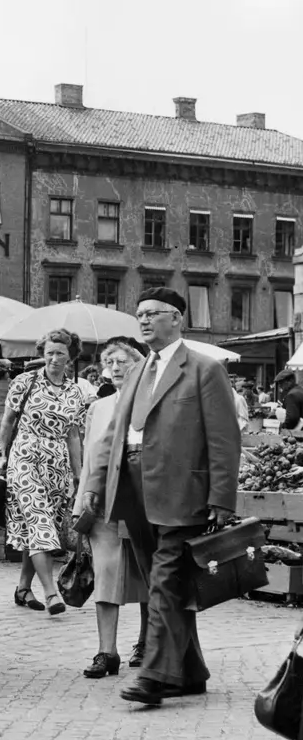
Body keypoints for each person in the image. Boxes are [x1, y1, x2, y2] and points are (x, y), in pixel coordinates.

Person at [81, 288, 241, 705]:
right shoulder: (137, 371)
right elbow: (113, 437)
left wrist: (222, 498)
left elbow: (225, 439)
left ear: (178, 319)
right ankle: (190, 671)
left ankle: (155, 675)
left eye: (153, 313)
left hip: (182, 494)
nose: (145, 321)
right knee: (166, 583)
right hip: (133, 495)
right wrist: (96, 487)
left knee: (165, 582)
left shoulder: (204, 369)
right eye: (140, 315)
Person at [73, 339, 149, 678]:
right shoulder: (98, 407)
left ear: (138, 365)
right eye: (110, 363)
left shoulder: (150, 404)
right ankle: (107, 652)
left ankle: (147, 641)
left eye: (122, 362)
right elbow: (91, 457)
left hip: (140, 502)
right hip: (102, 504)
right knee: (105, 574)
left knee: (149, 574)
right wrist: (81, 504)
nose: (115, 369)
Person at [0, 329, 88, 616]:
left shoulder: (75, 392)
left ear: (70, 357)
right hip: (25, 456)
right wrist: (2, 455)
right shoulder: (25, 382)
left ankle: (23, 588)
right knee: (39, 523)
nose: (53, 358)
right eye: (49, 352)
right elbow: (7, 421)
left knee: (38, 528)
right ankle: (51, 594)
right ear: (42, 353)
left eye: (60, 353)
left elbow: (73, 434)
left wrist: (78, 472)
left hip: (57, 463)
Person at [274, 369, 303, 434]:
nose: (280, 386)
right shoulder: (300, 390)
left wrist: (282, 428)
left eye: (281, 382)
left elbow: (292, 419)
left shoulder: (292, 395)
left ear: (290, 381)